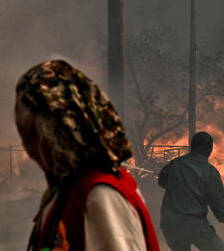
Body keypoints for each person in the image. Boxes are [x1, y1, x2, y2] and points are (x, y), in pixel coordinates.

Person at [15, 60, 159, 251]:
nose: (28, 147)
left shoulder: (100, 194)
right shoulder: (66, 189)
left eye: (31, 133)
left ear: (55, 131)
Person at [158, 131, 224, 251]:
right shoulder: (209, 172)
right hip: (195, 226)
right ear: (210, 150)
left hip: (170, 226)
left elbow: (162, 182)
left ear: (192, 146)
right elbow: (218, 202)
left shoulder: (175, 164)